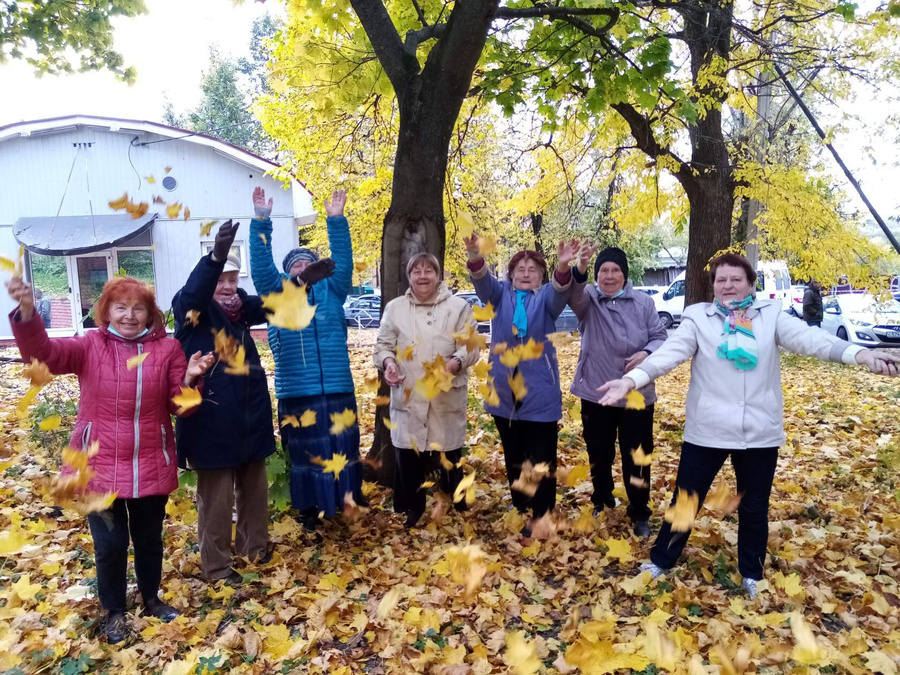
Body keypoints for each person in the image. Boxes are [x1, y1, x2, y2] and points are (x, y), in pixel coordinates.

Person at [597, 253, 899, 598]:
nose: (728, 286)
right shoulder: (699, 317)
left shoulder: (770, 315)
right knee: (687, 499)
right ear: (712, 286)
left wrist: (858, 354)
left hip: (758, 430)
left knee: (755, 506)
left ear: (750, 283)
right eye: (721, 280)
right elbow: (670, 353)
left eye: (736, 279)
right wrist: (632, 379)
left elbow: (811, 340)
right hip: (708, 428)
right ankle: (662, 560)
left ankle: (751, 573)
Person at [5, 275, 213, 643]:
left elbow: (181, 408)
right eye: (121, 307)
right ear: (107, 311)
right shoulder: (89, 346)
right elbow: (44, 357)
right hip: (97, 463)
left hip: (150, 458)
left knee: (149, 539)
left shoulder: (167, 351)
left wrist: (192, 381)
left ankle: (151, 600)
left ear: (150, 314)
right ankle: (114, 611)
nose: (130, 316)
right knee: (111, 544)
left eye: (138, 308)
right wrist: (27, 314)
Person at [249, 186, 364, 532]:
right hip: (298, 392)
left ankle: (345, 502)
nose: (303, 264)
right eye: (295, 263)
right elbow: (260, 265)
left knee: (342, 447)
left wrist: (336, 221)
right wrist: (260, 222)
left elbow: (342, 260)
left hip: (337, 387)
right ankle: (310, 510)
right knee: (306, 455)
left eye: (308, 261)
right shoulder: (278, 294)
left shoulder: (333, 289)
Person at [172, 220, 279, 583]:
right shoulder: (191, 310)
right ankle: (216, 567)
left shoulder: (241, 313)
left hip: (250, 418)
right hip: (211, 422)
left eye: (232, 279)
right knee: (216, 503)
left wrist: (303, 280)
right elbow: (197, 291)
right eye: (221, 279)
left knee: (254, 491)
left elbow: (275, 304)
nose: (227, 286)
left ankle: (255, 552)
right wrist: (216, 257)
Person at [464, 232, 579, 536]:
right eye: (520, 270)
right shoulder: (500, 295)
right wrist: (475, 255)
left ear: (541, 275)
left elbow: (558, 292)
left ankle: (542, 514)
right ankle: (521, 504)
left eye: (533, 270)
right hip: (503, 393)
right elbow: (481, 280)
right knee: (514, 455)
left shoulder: (546, 300)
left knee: (541, 457)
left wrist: (564, 267)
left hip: (539, 393)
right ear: (511, 274)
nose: (526, 274)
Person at [373, 253, 480, 528]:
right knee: (408, 454)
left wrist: (455, 363)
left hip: (445, 393)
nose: (423, 276)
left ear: (438, 275)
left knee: (449, 453)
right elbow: (383, 345)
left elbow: (470, 346)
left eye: (428, 271)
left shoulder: (458, 307)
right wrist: (388, 364)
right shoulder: (395, 308)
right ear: (409, 277)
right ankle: (412, 506)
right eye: (416, 271)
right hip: (408, 393)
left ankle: (458, 502)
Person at [567, 245, 668, 537]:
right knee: (599, 453)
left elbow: (661, 337)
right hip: (596, 391)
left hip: (636, 392)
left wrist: (647, 352)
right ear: (597, 275)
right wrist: (581, 266)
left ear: (624, 274)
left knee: (637, 455)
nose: (609, 276)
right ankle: (603, 499)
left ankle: (639, 512)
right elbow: (573, 294)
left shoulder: (643, 303)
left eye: (615, 270)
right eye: (603, 271)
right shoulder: (589, 300)